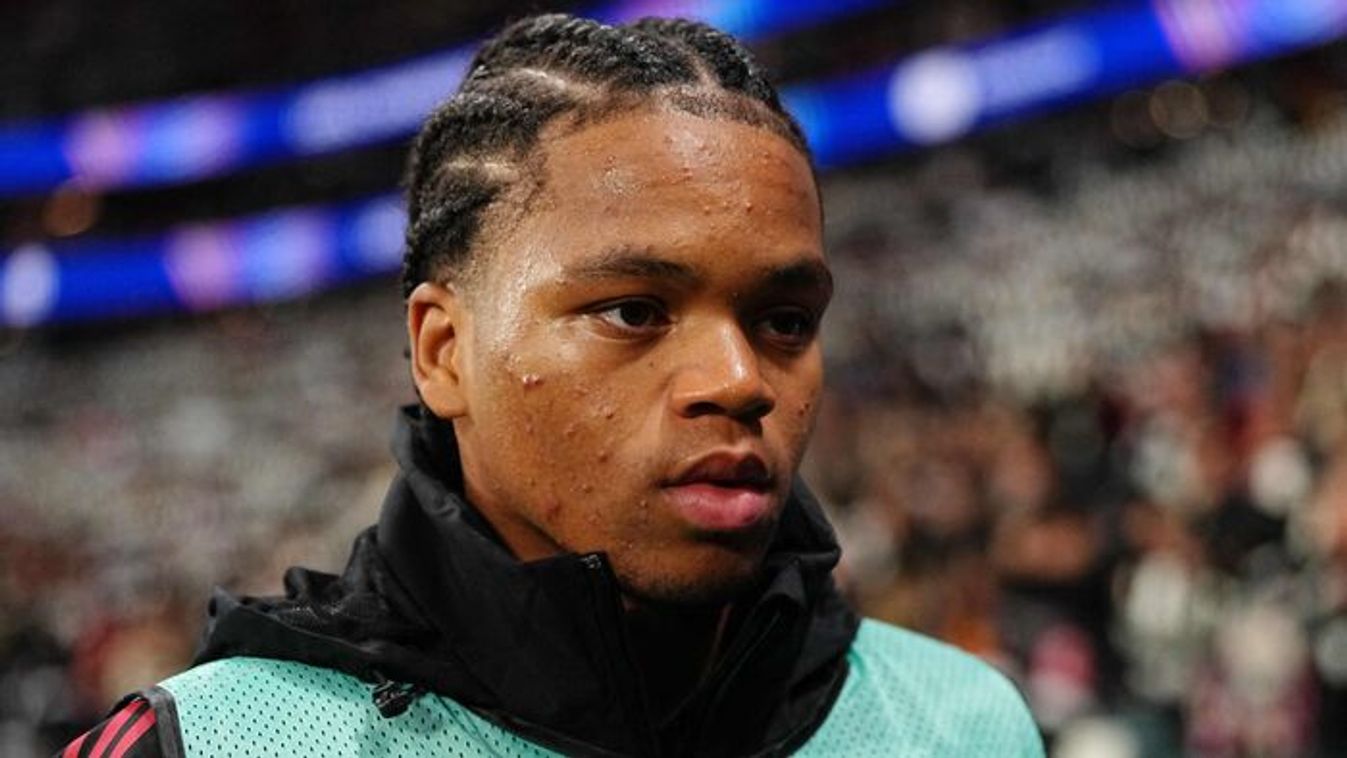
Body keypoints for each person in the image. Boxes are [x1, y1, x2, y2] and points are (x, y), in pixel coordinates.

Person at [58, 13, 1043, 757]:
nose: (740, 379)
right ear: (443, 351)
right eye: (633, 311)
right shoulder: (219, 742)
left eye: (784, 320)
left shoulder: (962, 721)